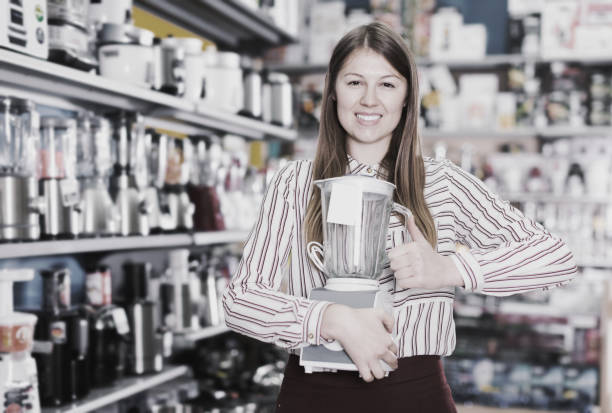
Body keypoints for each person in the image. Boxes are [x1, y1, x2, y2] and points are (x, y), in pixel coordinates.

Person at [222, 22, 577, 413]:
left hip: (415, 396)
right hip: (313, 395)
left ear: (407, 96)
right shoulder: (294, 182)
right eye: (355, 82)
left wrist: (449, 269)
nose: (369, 100)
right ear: (333, 91)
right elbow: (241, 300)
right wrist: (330, 319)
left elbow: (556, 259)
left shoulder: (445, 182)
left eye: (388, 85)